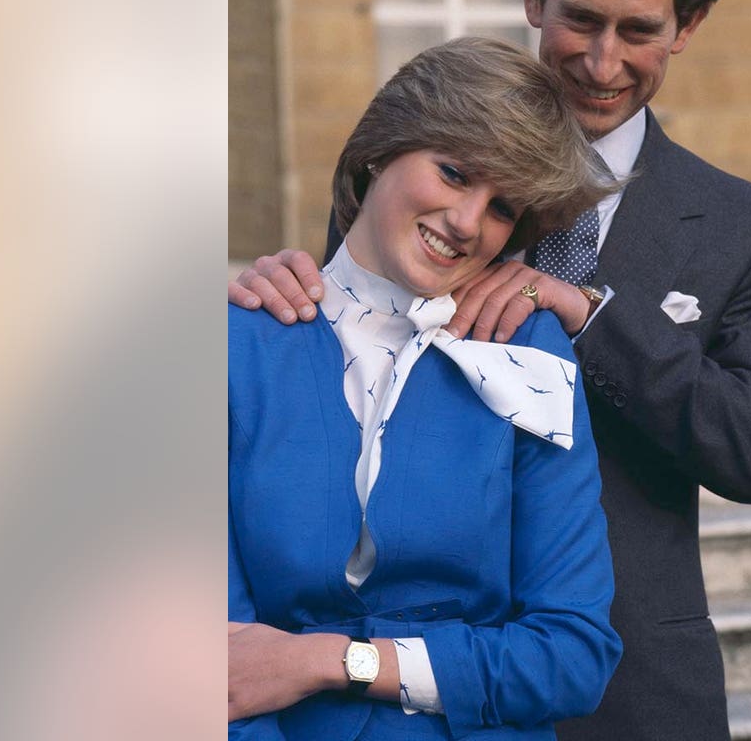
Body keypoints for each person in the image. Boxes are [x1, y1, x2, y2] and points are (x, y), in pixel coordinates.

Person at [232, 0, 751, 741]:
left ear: (686, 26)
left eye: (638, 29)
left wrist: (587, 313)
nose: (602, 59)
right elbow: (354, 338)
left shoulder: (747, 226)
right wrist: (267, 291)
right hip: (406, 685)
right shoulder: (435, 153)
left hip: (630, 678)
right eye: (581, 18)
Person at [227, 36, 624, 741]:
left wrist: (334, 662)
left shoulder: (528, 351)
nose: (469, 223)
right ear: (379, 150)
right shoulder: (238, 345)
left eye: (503, 208)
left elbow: (572, 654)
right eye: (453, 173)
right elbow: (213, 667)